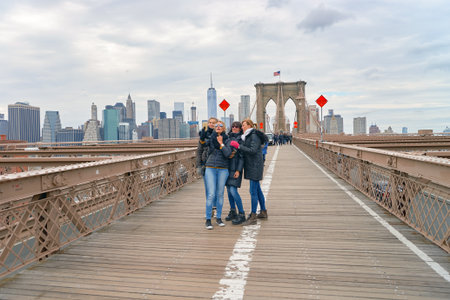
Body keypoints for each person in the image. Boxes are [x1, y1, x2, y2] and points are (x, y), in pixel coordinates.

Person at [236, 119, 268, 226]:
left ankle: (253, 216)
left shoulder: (253, 135)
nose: (242, 127)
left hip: (255, 166)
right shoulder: (248, 135)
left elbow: (253, 150)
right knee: (257, 190)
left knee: (253, 191)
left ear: (249, 125)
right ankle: (263, 211)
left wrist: (239, 147)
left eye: (243, 125)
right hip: (252, 165)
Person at [204, 121, 232, 230]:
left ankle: (219, 218)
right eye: (216, 126)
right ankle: (208, 219)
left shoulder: (228, 139)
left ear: (224, 128)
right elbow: (204, 148)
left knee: (220, 194)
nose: (218, 127)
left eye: (220, 125)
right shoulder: (211, 139)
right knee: (211, 194)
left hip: (223, 168)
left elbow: (228, 153)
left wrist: (221, 143)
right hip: (210, 167)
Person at [225, 121, 246, 225]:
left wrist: (238, 170)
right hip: (227, 168)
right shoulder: (227, 138)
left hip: (236, 168)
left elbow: (242, 157)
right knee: (229, 191)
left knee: (233, 191)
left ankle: (242, 214)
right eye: (233, 126)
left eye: (237, 126)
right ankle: (233, 211)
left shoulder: (242, 139)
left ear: (240, 128)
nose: (234, 128)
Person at [197, 117, 218, 214]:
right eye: (210, 122)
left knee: (216, 189)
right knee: (208, 189)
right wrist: (198, 165)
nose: (211, 124)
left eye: (213, 123)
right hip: (205, 165)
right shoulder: (203, 135)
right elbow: (199, 151)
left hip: (216, 165)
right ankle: (210, 209)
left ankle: (215, 207)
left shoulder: (220, 135)